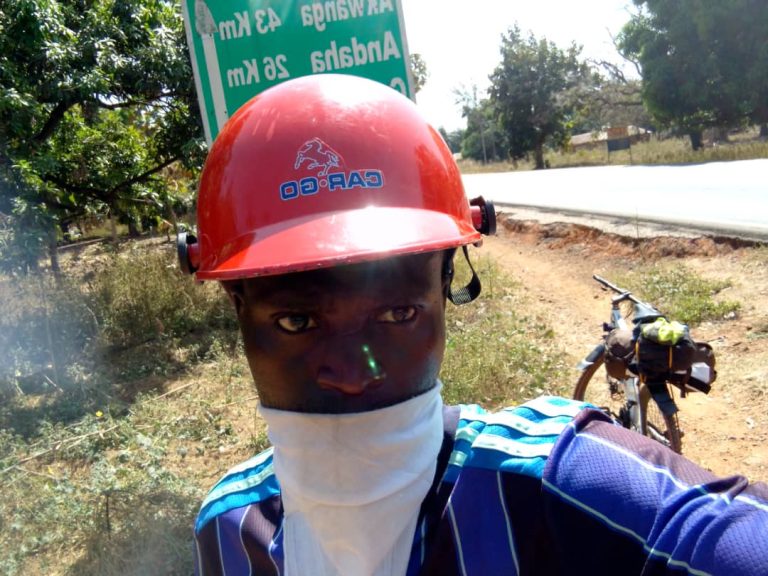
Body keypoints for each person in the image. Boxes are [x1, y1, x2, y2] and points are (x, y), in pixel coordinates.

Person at [180, 74, 768, 576]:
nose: (355, 373)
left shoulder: (553, 487)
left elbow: (714, 531)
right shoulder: (230, 533)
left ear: (445, 288)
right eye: (297, 319)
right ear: (236, 307)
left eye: (398, 313)